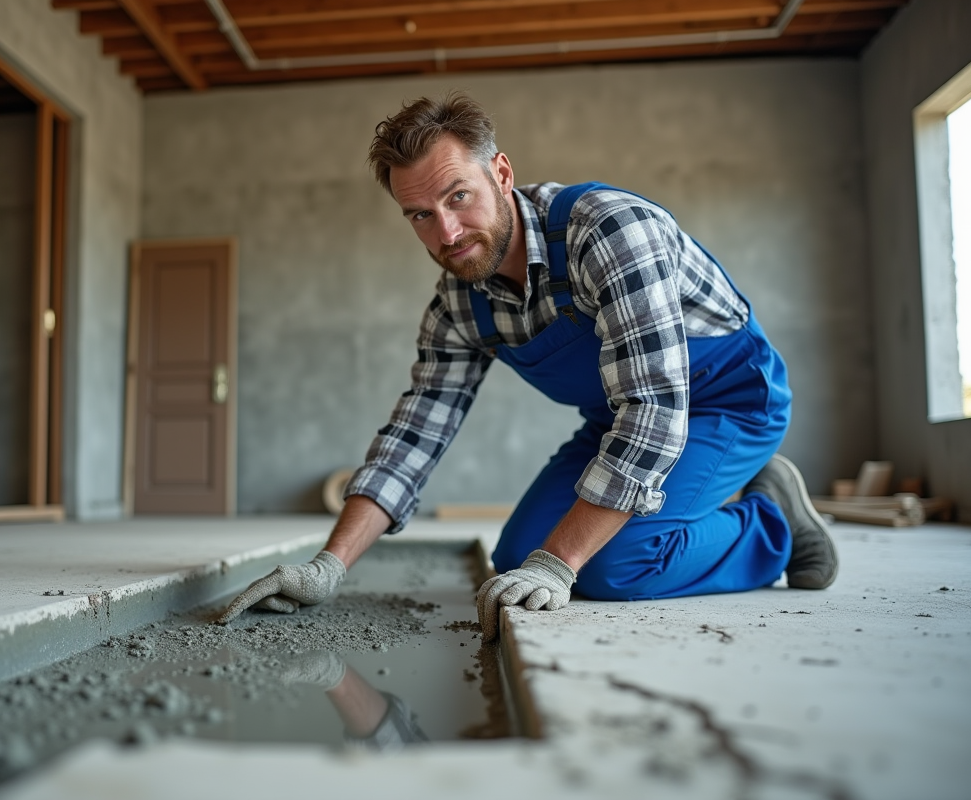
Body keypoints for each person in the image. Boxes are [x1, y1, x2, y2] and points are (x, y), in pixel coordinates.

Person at [217, 92, 838, 640]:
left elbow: (653, 409)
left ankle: (769, 520)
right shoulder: (458, 303)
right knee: (518, 557)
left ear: (501, 173)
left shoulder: (611, 232)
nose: (448, 232)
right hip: (614, 420)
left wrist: (561, 564)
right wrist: (330, 565)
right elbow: (415, 435)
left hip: (724, 403)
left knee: (617, 566)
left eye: (458, 196)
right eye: (420, 215)